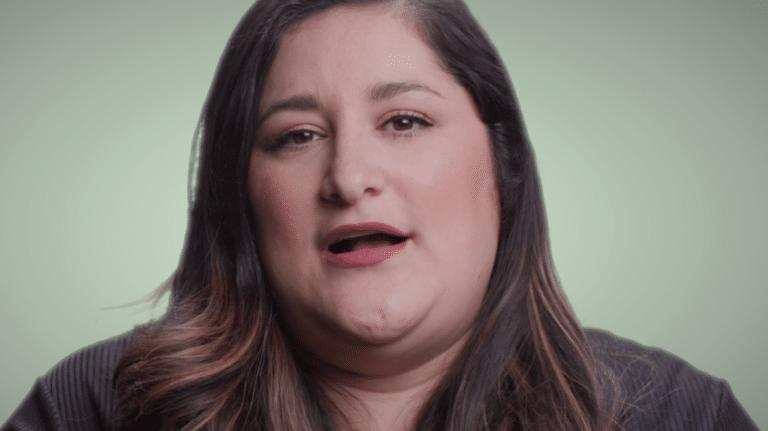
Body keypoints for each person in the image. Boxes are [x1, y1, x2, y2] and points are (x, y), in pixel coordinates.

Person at [1, 0, 759, 430]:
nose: (349, 176)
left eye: (404, 120)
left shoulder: (673, 414)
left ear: (504, 168)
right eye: (296, 136)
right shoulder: (99, 409)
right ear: (240, 197)